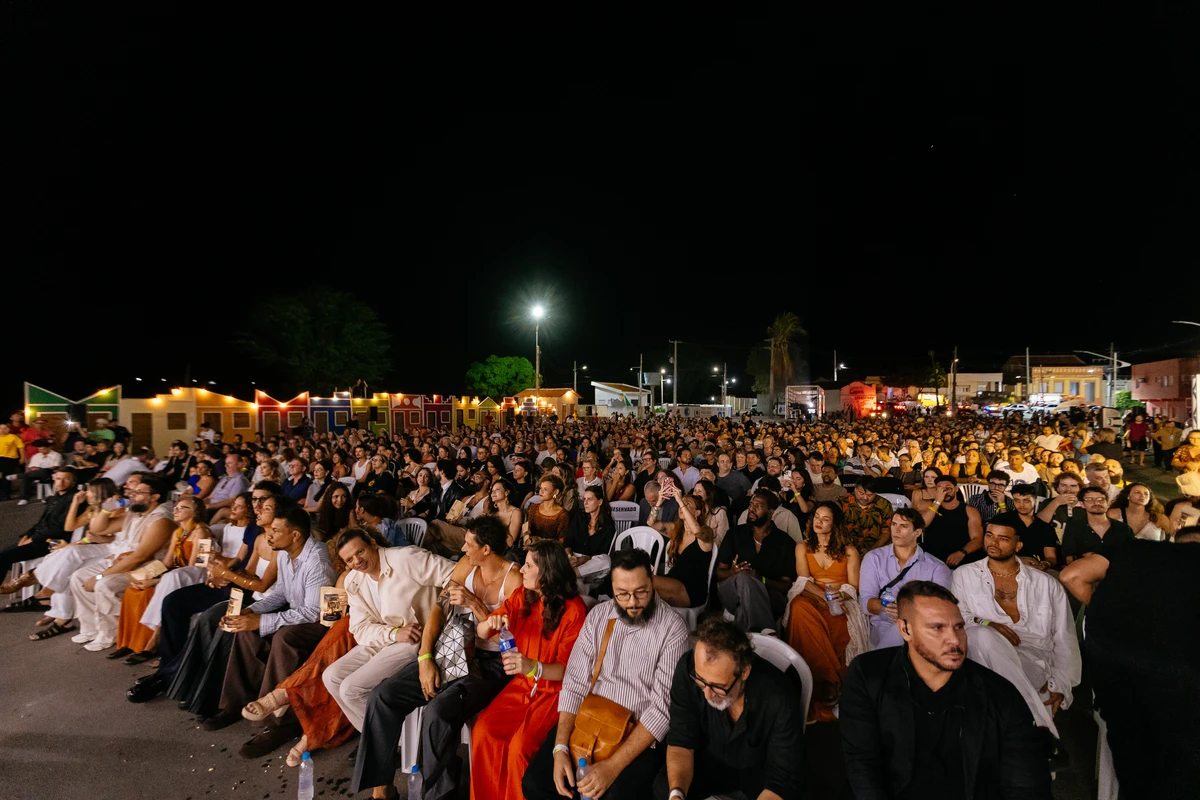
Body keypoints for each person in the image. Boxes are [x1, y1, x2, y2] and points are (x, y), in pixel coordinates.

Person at [351, 515, 522, 800]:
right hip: (451, 650)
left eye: (469, 544)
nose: (462, 549)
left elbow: (511, 641)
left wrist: (475, 604)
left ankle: (440, 795)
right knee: (383, 695)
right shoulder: (467, 565)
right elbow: (438, 610)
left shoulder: (513, 579)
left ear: (487, 549)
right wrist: (425, 657)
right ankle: (382, 787)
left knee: (437, 712)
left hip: (491, 665)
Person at [840, 580, 1052, 799]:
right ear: (905, 629)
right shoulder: (869, 674)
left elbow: (1026, 784)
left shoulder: (999, 694)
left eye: (959, 627)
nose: (954, 640)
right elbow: (862, 762)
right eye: (937, 627)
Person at [522, 548, 690, 800]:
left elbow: (661, 711)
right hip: (589, 719)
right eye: (622, 594)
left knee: (613, 795)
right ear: (611, 587)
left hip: (636, 733)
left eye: (641, 592)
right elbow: (575, 683)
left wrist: (612, 767)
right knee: (537, 782)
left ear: (652, 580)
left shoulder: (672, 629)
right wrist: (560, 749)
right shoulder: (599, 616)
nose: (632, 602)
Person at [1060, 532, 1200, 799]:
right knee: (1181, 766)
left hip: (1117, 671)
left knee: (1130, 750)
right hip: (1181, 680)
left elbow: (1071, 575)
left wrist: (1109, 615)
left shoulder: (1132, 549)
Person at [200, 503, 336, 732]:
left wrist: (263, 621)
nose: (269, 535)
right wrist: (253, 611)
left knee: (285, 637)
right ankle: (236, 702)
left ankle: (278, 721)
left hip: (321, 621)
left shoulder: (317, 561)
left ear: (295, 535)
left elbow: (314, 612)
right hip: (298, 614)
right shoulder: (285, 554)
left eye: (275, 531)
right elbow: (281, 593)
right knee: (246, 629)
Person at [471, 540, 587, 800]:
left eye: (528, 565)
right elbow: (480, 631)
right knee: (484, 730)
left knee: (519, 747)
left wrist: (532, 666)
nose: (521, 570)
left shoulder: (574, 611)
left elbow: (569, 671)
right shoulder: (523, 596)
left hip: (554, 693)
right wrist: (490, 622)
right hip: (523, 685)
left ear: (546, 572)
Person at [951, 518, 1079, 739]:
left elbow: (1064, 636)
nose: (993, 542)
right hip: (980, 656)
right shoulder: (964, 575)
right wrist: (988, 623)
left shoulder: (1047, 585)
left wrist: (1061, 684)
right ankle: (1042, 733)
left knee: (1001, 682)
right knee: (982, 635)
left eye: (1003, 538)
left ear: (1018, 546)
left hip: (1033, 660)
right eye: (989, 535)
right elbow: (958, 619)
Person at [655, 618, 804, 800]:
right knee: (664, 789)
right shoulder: (687, 669)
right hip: (709, 759)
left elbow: (781, 780)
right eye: (701, 682)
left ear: (744, 672)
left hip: (759, 769)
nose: (707, 695)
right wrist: (677, 794)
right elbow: (681, 741)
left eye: (718, 686)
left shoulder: (779, 696)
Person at [68, 474, 175, 652]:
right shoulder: (136, 511)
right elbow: (98, 528)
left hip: (154, 567)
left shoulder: (161, 520)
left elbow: (140, 557)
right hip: (124, 559)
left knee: (104, 585)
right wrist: (109, 507)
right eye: (133, 491)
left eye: (139, 492)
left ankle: (110, 633)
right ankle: (92, 628)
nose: (132, 494)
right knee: (78, 577)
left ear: (155, 497)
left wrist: (100, 576)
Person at [785, 502, 860, 722]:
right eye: (816, 516)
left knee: (838, 622)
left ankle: (832, 687)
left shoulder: (849, 551)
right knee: (799, 609)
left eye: (825, 518)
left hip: (840, 598)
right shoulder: (803, 546)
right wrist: (823, 597)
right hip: (811, 596)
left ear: (835, 524)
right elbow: (803, 580)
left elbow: (854, 586)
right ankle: (825, 684)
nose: (818, 521)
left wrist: (840, 596)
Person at [859, 508, 952, 649]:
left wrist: (906, 612)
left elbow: (940, 608)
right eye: (894, 524)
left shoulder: (937, 567)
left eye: (903, 526)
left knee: (905, 628)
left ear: (917, 532)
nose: (896, 530)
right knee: (897, 630)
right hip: (882, 625)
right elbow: (866, 602)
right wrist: (887, 609)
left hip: (921, 628)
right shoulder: (874, 558)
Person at [716, 490, 797, 632]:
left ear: (771, 512)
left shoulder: (785, 543)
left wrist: (762, 580)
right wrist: (732, 572)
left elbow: (786, 585)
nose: (751, 509)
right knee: (743, 577)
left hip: (771, 596)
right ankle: (766, 634)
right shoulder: (735, 534)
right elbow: (718, 573)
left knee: (744, 608)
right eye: (751, 504)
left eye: (758, 506)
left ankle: (749, 639)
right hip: (731, 592)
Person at [0, 466, 78, 592]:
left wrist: (33, 539)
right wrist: (27, 535)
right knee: (5, 553)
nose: (61, 482)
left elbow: (60, 527)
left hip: (54, 542)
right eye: (58, 478)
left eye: (66, 479)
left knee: (4, 556)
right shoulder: (54, 498)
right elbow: (42, 521)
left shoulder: (74, 499)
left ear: (73, 481)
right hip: (40, 537)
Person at [654, 490, 715, 609]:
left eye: (688, 504)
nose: (682, 506)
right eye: (682, 504)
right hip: (672, 583)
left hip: (691, 591)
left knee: (644, 579)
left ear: (697, 513)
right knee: (640, 586)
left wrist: (680, 501)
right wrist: (659, 501)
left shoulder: (706, 532)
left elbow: (696, 531)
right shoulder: (676, 531)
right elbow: (651, 522)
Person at [919, 474, 984, 567]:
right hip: (932, 557)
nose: (945, 492)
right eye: (940, 489)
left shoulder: (969, 511)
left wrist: (962, 553)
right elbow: (922, 524)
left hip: (961, 557)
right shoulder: (928, 505)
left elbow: (977, 539)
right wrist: (937, 501)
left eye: (948, 488)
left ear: (956, 489)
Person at [1061, 486, 1135, 564]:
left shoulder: (1123, 529)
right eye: (1089, 500)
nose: (1096, 503)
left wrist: (1093, 555)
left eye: (1101, 499)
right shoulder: (1074, 527)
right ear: (1082, 504)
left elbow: (1132, 555)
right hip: (1084, 570)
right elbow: (1068, 557)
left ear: (1108, 503)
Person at [995, 483, 1059, 569]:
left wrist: (1045, 564)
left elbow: (1051, 557)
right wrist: (1018, 560)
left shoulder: (1045, 527)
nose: (1021, 505)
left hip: (1036, 569)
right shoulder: (1002, 521)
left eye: (1026, 501)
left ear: (1035, 501)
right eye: (1017, 500)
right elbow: (991, 549)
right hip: (1005, 566)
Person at [839, 478, 894, 551]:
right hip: (846, 549)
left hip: (875, 550)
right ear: (855, 489)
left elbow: (886, 532)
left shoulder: (884, 505)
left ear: (875, 493)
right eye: (861, 493)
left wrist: (871, 551)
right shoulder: (843, 502)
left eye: (870, 495)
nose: (865, 498)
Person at [1108, 482, 1172, 541]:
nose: (1142, 496)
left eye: (1146, 494)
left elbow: (1174, 535)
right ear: (1128, 495)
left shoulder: (1158, 518)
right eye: (1137, 492)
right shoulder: (1114, 514)